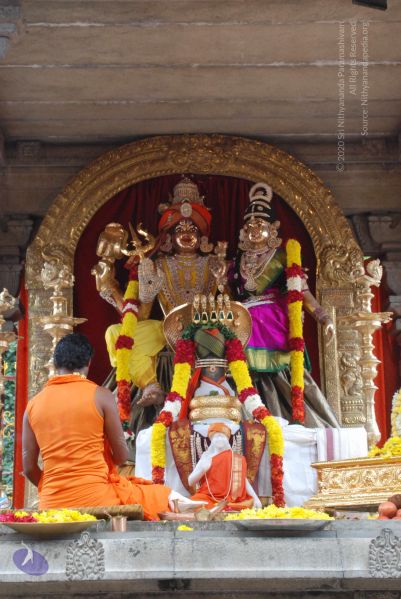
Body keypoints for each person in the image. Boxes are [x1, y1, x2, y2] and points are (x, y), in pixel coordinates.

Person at [22, 333, 201, 519]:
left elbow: (29, 468)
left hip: (51, 501)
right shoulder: (101, 396)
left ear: (55, 363)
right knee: (160, 495)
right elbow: (121, 455)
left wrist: (57, 488)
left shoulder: (33, 406)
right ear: (89, 362)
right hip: (97, 499)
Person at [93, 178, 227, 423]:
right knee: (115, 333)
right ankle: (151, 385)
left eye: (192, 230)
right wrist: (142, 291)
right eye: (179, 230)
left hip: (206, 327)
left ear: (202, 236)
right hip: (166, 329)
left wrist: (223, 282)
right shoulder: (158, 264)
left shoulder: (214, 262)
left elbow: (231, 306)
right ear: (168, 238)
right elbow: (141, 315)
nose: (186, 234)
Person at [232, 183, 340, 428]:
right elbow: (231, 294)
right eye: (249, 226)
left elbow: (303, 293)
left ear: (272, 229)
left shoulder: (283, 257)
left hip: (271, 320)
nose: (253, 230)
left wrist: (323, 317)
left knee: (257, 322)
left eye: (260, 225)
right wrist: (220, 280)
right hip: (243, 317)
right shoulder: (238, 260)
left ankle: (289, 416)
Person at [188, 423, 262, 509]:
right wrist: (202, 469)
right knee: (195, 501)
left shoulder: (236, 458)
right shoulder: (206, 457)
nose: (220, 439)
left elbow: (243, 480)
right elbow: (190, 481)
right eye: (216, 437)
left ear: (227, 439)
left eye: (222, 437)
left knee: (247, 503)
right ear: (211, 440)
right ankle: (221, 509)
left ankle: (222, 508)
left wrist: (256, 498)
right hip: (208, 497)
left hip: (232, 499)